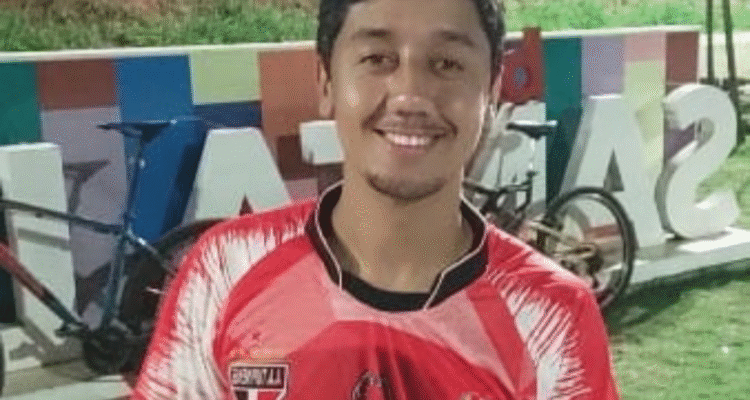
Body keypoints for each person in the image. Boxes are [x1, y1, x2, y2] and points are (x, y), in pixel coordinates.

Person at [131, 0, 621, 398]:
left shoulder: (551, 314)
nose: (410, 95)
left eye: (447, 63)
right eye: (377, 59)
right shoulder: (226, 269)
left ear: (491, 92)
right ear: (326, 83)